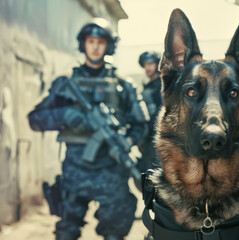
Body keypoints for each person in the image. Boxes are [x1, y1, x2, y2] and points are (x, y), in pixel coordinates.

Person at [28, 18, 147, 240]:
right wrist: (64, 115)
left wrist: (127, 142)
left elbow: (142, 125)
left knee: (114, 232)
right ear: (83, 44)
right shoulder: (65, 85)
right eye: (90, 41)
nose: (95, 47)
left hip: (112, 171)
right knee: (67, 232)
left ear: (108, 46)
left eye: (100, 42)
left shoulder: (124, 86)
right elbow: (35, 119)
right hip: (75, 170)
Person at [137, 51, 162, 172]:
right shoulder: (148, 86)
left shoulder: (161, 86)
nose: (148, 67)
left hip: (157, 137)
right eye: (145, 64)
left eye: (151, 64)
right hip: (147, 137)